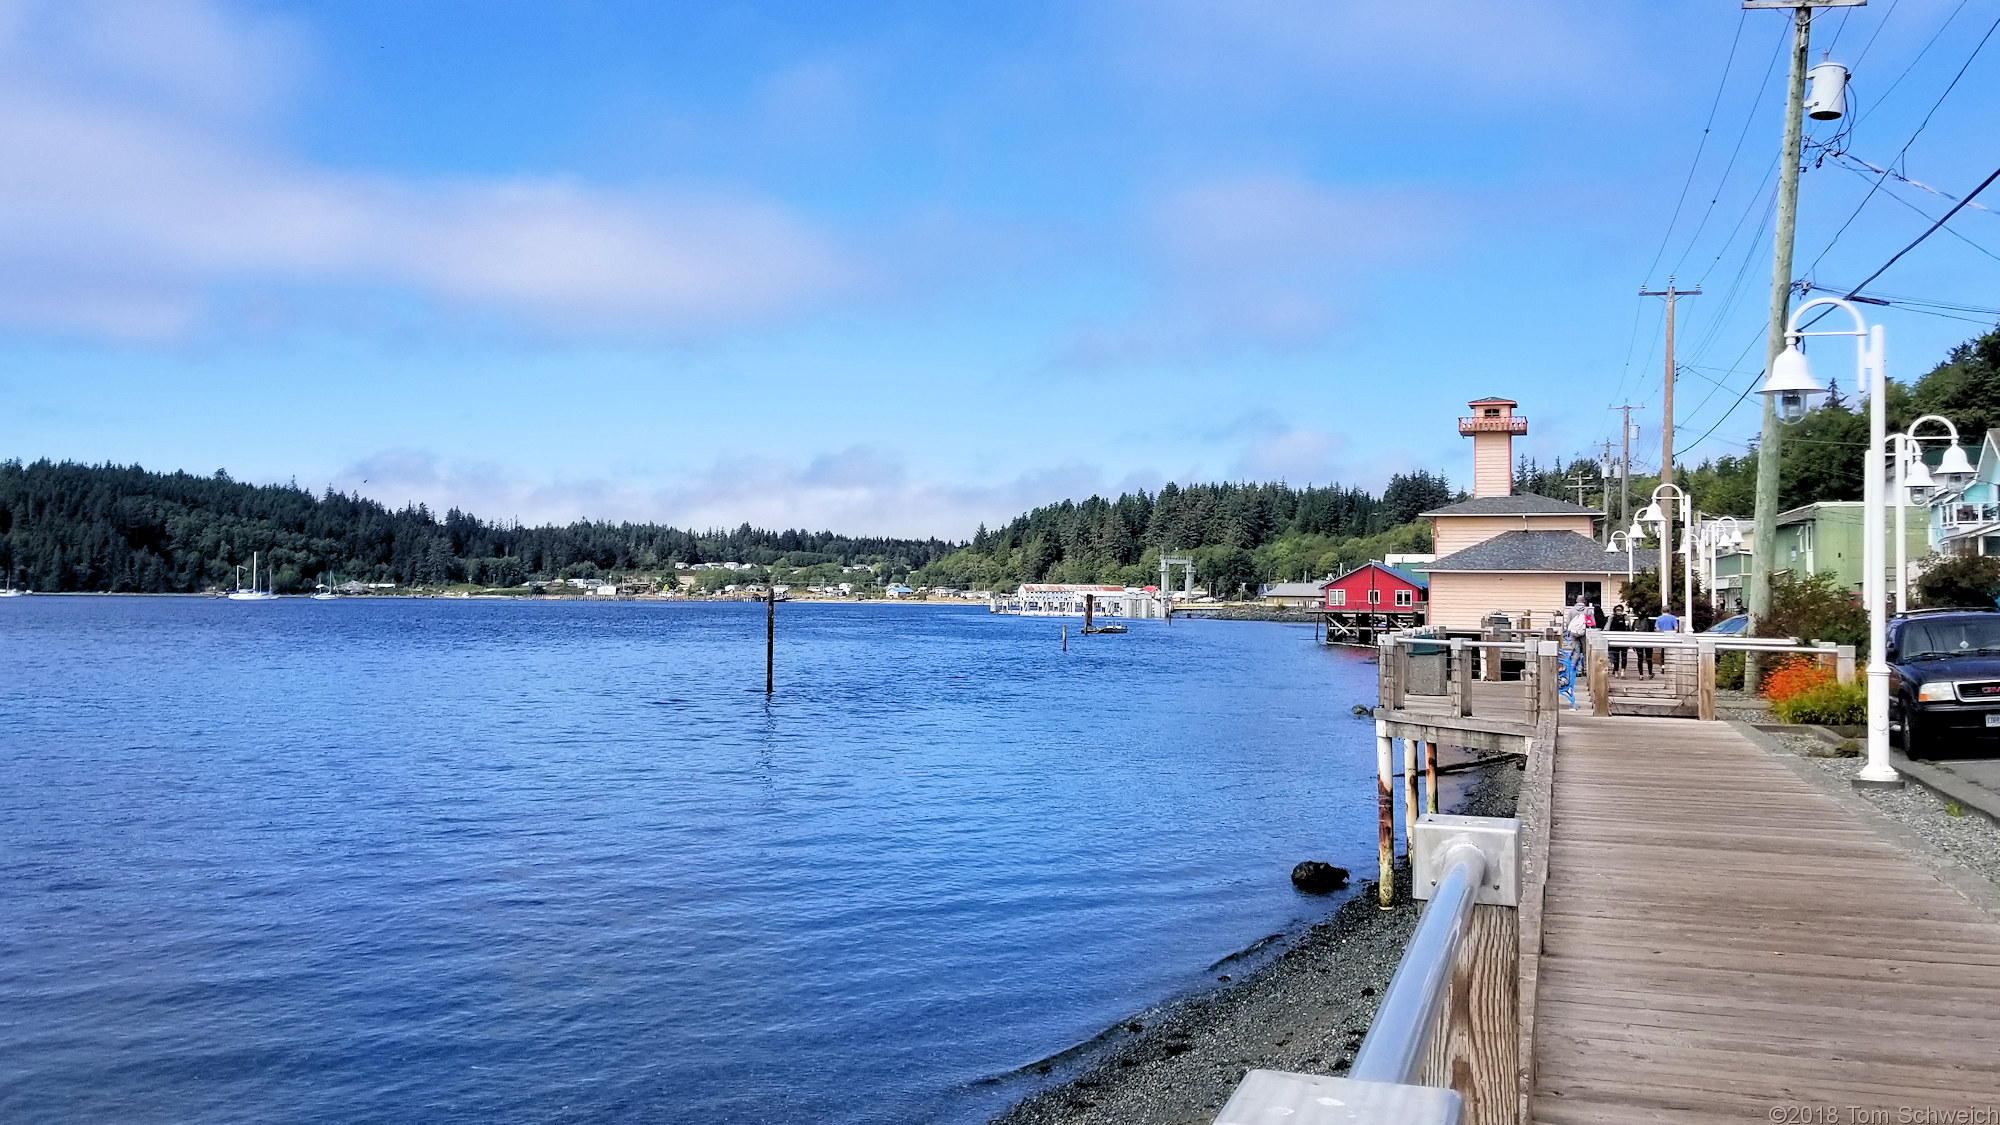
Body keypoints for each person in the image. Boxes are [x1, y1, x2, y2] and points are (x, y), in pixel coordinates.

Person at [1633, 605, 1656, 677]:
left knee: (1640, 659)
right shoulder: (1649, 622)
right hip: (1648, 641)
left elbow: (1632, 632)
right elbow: (1653, 631)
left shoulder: (1635, 622)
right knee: (1649, 658)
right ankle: (1650, 673)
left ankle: (1641, 674)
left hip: (1638, 642)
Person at [1608, 604, 1630, 676]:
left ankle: (1621, 671)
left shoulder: (1615, 617)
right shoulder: (1614, 617)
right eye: (1618, 610)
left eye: (1620, 610)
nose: (1619, 611)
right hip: (1619, 639)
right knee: (1618, 656)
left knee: (1621, 656)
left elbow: (1608, 627)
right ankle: (1617, 671)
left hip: (1620, 639)